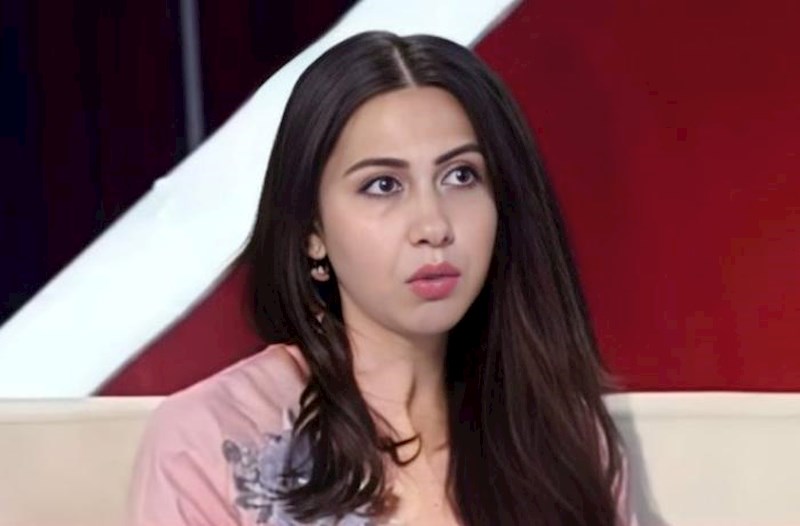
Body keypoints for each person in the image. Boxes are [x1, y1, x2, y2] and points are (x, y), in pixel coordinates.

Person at [128, 30, 636, 526]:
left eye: (461, 176)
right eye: (383, 185)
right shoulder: (208, 441)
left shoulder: (559, 437)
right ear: (312, 231)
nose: (433, 226)